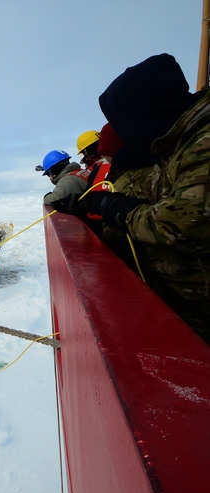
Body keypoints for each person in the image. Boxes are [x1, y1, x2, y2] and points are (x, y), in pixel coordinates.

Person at [78, 53, 209, 343]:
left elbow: (181, 225)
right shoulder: (178, 145)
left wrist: (118, 209)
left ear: (147, 112)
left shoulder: (202, 143)